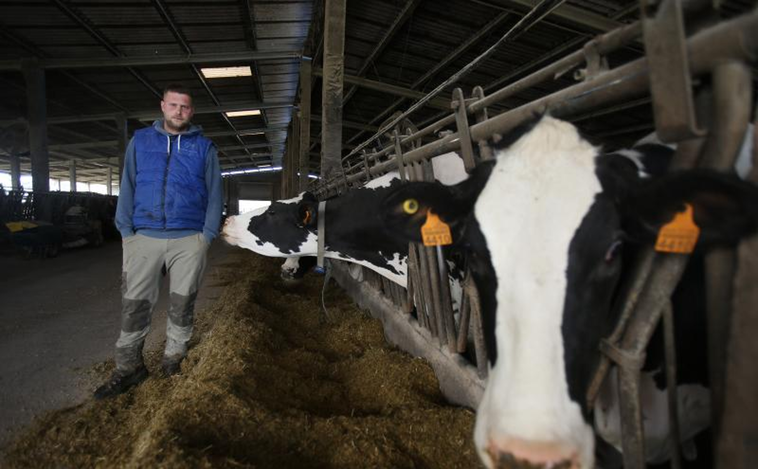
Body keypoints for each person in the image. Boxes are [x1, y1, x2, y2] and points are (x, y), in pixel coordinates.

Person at [94, 83, 223, 399]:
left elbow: (215, 193)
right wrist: (126, 232)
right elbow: (127, 185)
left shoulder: (204, 148)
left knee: (182, 302)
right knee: (135, 305)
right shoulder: (140, 142)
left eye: (186, 107)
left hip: (188, 239)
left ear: (191, 111)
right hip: (144, 237)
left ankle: (173, 359)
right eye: (174, 105)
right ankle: (128, 368)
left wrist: (205, 236)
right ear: (163, 106)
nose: (180, 111)